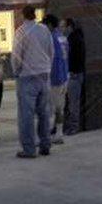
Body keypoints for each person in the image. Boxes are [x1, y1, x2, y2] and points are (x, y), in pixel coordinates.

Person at [10, 4, 53, 158]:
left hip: (27, 77)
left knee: (26, 115)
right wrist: (47, 68)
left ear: (23, 15)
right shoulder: (44, 30)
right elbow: (51, 51)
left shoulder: (21, 32)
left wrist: (16, 72)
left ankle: (29, 149)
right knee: (44, 112)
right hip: (44, 75)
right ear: (35, 15)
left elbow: (16, 56)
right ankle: (45, 145)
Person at [43, 14, 69, 144]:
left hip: (54, 77)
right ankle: (58, 132)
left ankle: (50, 134)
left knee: (51, 108)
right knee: (60, 107)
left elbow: (52, 58)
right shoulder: (62, 38)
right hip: (64, 76)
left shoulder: (51, 38)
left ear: (49, 25)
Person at [63, 17, 85, 135]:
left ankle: (73, 126)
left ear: (69, 27)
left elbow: (74, 57)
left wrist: (72, 70)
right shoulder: (76, 38)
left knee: (73, 103)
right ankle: (71, 125)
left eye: (64, 26)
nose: (62, 29)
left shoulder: (73, 40)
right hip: (75, 74)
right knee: (72, 102)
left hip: (74, 74)